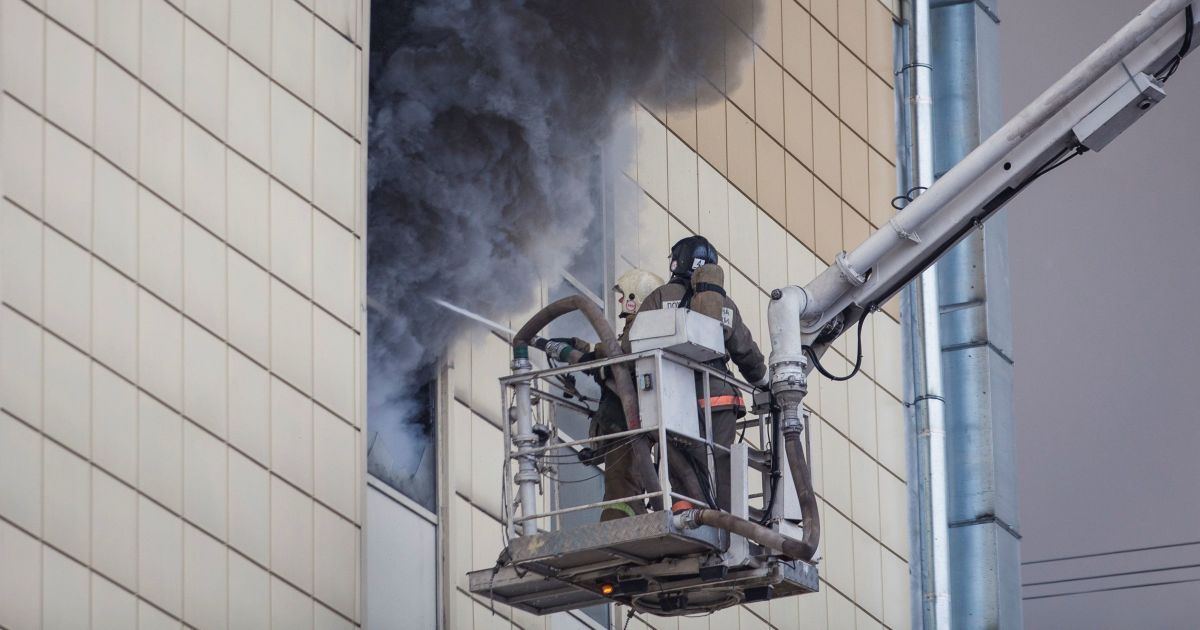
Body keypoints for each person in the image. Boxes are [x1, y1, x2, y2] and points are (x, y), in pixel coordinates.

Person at [639, 235, 768, 512]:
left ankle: (687, 514)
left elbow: (632, 346)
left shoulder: (660, 297)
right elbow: (746, 352)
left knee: (680, 463)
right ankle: (726, 519)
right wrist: (764, 381)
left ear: (677, 262)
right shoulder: (725, 304)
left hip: (677, 398)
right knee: (721, 464)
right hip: (721, 399)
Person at [586, 268, 667, 521]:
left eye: (624, 295)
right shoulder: (638, 329)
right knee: (620, 476)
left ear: (637, 297)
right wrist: (586, 350)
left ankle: (618, 519)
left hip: (628, 422)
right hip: (625, 420)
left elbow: (622, 356)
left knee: (621, 478)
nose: (621, 300)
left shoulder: (641, 329)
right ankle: (622, 515)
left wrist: (595, 354)